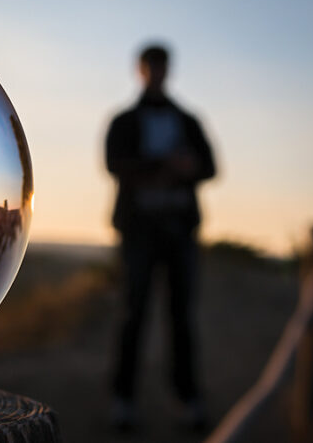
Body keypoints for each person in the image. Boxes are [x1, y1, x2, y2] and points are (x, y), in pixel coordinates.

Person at [105, 44, 216, 431]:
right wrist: (166, 165)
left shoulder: (188, 120)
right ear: (141, 70)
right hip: (139, 230)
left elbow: (211, 167)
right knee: (133, 314)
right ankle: (123, 400)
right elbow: (113, 164)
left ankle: (187, 398)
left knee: (181, 316)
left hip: (180, 229)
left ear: (169, 70)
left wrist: (185, 168)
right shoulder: (124, 120)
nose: (156, 72)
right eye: (151, 66)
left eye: (161, 66)